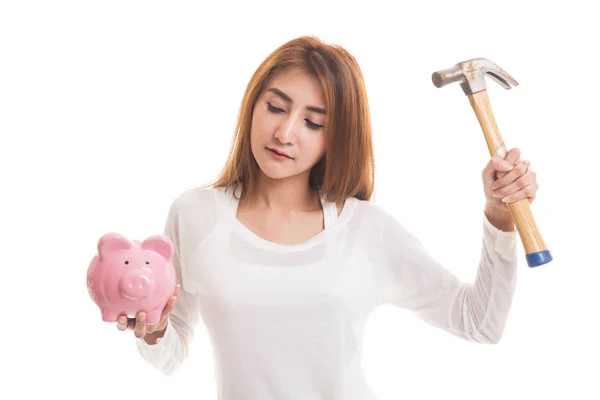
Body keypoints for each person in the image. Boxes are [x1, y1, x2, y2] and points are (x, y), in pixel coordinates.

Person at [116, 36, 538, 399]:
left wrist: (499, 218)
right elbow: (170, 355)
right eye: (276, 108)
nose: (285, 133)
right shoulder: (195, 215)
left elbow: (481, 323)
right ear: (252, 106)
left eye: (313, 123)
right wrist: (152, 328)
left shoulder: (365, 230)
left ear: (334, 139)